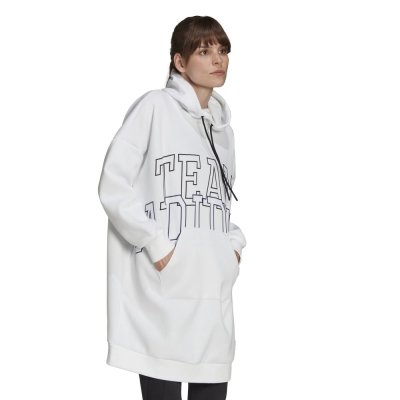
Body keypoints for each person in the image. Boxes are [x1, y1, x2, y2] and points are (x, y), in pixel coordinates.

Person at [98, 15, 247, 400]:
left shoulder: (224, 131)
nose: (218, 59)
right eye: (204, 51)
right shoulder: (154, 107)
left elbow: (219, 201)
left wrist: (231, 247)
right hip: (161, 294)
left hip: (211, 296)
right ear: (180, 62)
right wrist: (157, 245)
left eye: (222, 50)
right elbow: (113, 183)